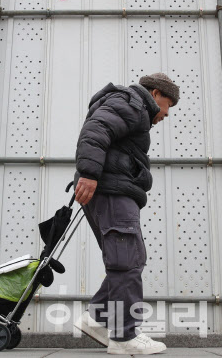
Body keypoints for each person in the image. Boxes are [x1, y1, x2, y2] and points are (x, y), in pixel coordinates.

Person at [72, 73, 179, 355]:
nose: (166, 114)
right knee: (126, 262)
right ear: (155, 94)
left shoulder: (133, 108)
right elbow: (96, 129)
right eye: (168, 105)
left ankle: (97, 318)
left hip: (114, 191)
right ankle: (124, 337)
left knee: (131, 260)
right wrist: (90, 174)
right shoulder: (132, 103)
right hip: (112, 192)